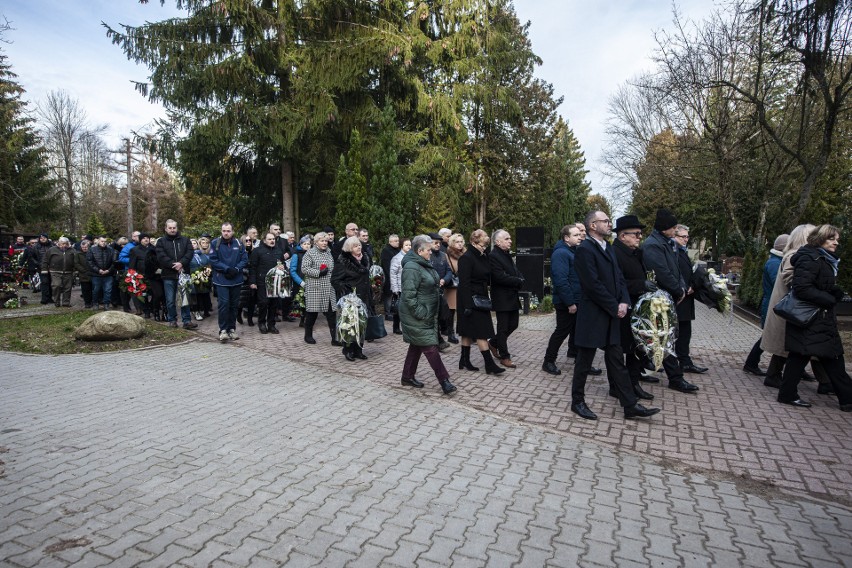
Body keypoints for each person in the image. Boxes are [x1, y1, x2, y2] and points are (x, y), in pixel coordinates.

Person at [570, 210, 661, 421]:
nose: (609, 224)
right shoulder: (585, 250)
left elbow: (619, 278)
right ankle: (578, 402)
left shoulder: (607, 247)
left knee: (616, 360)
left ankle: (629, 405)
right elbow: (592, 285)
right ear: (593, 225)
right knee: (584, 361)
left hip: (611, 314)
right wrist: (614, 305)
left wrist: (624, 301)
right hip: (593, 315)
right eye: (605, 221)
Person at [611, 215, 697, 396]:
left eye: (640, 233)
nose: (639, 237)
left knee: (638, 349)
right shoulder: (615, 253)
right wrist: (640, 285)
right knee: (621, 351)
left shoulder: (636, 251)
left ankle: (634, 384)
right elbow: (614, 283)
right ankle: (619, 388)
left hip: (640, 309)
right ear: (622, 235)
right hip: (624, 308)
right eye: (635, 234)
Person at [777, 224, 852, 411]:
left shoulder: (820, 257)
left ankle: (788, 394)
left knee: (813, 356)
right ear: (820, 239)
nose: (836, 242)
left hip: (816, 317)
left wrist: (834, 291)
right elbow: (802, 288)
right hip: (812, 317)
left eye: (837, 239)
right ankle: (847, 398)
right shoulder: (811, 257)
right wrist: (828, 299)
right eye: (831, 238)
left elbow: (817, 283)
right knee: (826, 356)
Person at [643, 209, 706, 375]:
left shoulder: (666, 243)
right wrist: (679, 290)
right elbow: (663, 272)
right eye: (674, 229)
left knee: (668, 337)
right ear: (665, 228)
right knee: (663, 336)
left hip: (673, 296)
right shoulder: (654, 245)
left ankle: (675, 373)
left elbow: (676, 271)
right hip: (663, 298)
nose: (676, 232)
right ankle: (662, 371)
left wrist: (682, 287)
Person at [760, 224, 821, 388]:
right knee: (785, 347)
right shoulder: (794, 256)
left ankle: (825, 381)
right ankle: (775, 376)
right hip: (790, 309)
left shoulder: (795, 255)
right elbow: (790, 279)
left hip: (792, 309)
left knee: (788, 348)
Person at [399, 234, 457, 395]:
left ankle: (407, 377)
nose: (431, 252)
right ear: (419, 251)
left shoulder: (422, 263)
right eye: (428, 250)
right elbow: (409, 296)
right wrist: (421, 312)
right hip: (417, 315)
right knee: (430, 348)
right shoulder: (412, 267)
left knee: (416, 345)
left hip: (426, 313)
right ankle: (444, 381)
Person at [457, 229, 504, 375]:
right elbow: (464, 283)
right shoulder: (467, 257)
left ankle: (464, 360)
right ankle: (489, 364)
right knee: (481, 332)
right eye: (483, 236)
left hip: (481, 297)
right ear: (474, 241)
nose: (487, 238)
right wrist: (468, 305)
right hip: (469, 299)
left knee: (467, 331)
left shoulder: (484, 256)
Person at [743, 234, 789, 376]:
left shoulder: (777, 261)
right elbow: (780, 283)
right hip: (772, 303)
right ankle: (751, 363)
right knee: (768, 336)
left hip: (772, 302)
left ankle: (751, 363)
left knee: (771, 336)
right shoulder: (776, 263)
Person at [542, 224, 584, 375]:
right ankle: (548, 361)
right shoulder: (561, 253)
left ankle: (581, 361)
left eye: (580, 234)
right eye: (576, 235)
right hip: (566, 302)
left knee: (578, 332)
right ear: (567, 238)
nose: (580, 237)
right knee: (561, 332)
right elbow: (561, 280)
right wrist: (570, 302)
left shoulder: (572, 251)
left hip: (576, 299)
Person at [331, 235, 373, 361]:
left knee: (362, 323)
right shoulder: (343, 262)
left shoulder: (365, 259)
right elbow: (334, 280)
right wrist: (345, 289)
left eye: (359, 245)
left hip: (364, 296)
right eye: (355, 246)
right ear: (349, 248)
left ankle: (359, 349)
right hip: (350, 299)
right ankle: (348, 349)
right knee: (350, 325)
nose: (359, 248)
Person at [672, 224, 707, 373]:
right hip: (680, 297)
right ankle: (680, 361)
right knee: (679, 332)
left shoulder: (682, 251)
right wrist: (685, 287)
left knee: (685, 332)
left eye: (687, 236)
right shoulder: (673, 252)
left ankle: (685, 360)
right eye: (683, 236)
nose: (686, 239)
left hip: (687, 297)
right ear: (674, 236)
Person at [488, 229, 525, 368]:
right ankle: (505, 356)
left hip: (512, 295)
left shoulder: (506, 254)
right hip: (502, 297)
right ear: (498, 242)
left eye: (510, 238)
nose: (510, 241)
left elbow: (514, 271)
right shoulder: (493, 256)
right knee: (503, 328)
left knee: (514, 324)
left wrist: (520, 278)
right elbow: (499, 276)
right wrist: (518, 281)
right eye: (507, 238)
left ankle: (493, 343)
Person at [210, 222, 249, 341]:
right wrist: (226, 268)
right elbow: (213, 260)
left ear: (232, 231)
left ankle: (232, 329)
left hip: (236, 279)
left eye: (228, 231)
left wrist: (236, 269)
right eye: (224, 231)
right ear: (221, 231)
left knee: (234, 305)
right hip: (222, 279)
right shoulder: (215, 243)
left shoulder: (238, 243)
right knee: (224, 305)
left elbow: (244, 259)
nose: (226, 233)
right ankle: (223, 330)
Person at [156, 219, 197, 329]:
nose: (172, 230)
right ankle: (172, 320)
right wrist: (174, 265)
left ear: (177, 228)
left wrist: (181, 263)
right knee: (170, 300)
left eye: (174, 228)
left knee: (185, 299)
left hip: (183, 273)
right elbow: (161, 256)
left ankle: (187, 321)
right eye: (170, 228)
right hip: (168, 275)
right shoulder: (161, 242)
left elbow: (189, 253)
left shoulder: (185, 240)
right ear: (166, 228)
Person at [302, 231, 339, 345]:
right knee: (312, 313)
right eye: (322, 241)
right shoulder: (310, 253)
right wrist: (318, 272)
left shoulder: (329, 252)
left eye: (326, 241)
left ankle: (335, 338)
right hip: (315, 288)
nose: (324, 243)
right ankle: (308, 335)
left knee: (332, 313)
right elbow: (304, 269)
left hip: (328, 287)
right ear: (316, 242)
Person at [248, 232, 287, 334]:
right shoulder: (257, 251)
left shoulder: (279, 251)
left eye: (273, 239)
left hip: (275, 281)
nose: (272, 241)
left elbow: (283, 264)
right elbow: (252, 267)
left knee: (273, 304)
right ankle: (261, 323)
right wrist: (252, 281)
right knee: (263, 303)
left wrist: (283, 267)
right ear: (264, 240)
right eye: (269, 239)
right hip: (262, 281)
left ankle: (271, 324)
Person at [429, 233, 453, 350]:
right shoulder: (427, 255)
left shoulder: (443, 255)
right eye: (435, 243)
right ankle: (437, 341)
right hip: (430, 291)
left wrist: (445, 279)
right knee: (433, 318)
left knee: (441, 315)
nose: (438, 245)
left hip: (441, 290)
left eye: (439, 243)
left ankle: (438, 339)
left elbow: (449, 271)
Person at [129, 234, 161, 319]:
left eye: (147, 238)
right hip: (141, 276)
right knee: (143, 295)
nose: (146, 240)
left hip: (153, 275)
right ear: (140, 240)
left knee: (156, 294)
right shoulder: (135, 250)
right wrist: (133, 275)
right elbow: (132, 264)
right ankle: (146, 310)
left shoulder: (154, 249)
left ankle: (152, 308)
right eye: (143, 238)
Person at [41, 236, 76, 307]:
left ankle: (66, 302)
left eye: (66, 244)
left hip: (68, 272)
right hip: (55, 271)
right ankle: (56, 301)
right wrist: (44, 269)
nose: (64, 245)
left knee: (68, 288)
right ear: (59, 243)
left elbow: (76, 261)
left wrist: (76, 270)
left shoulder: (72, 250)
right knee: (56, 286)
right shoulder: (52, 250)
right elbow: (45, 260)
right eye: (63, 244)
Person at [444, 233, 465, 344]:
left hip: (464, 286)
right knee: (451, 312)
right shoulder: (447, 255)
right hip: (453, 286)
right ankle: (450, 333)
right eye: (457, 241)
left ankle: (467, 333)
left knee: (465, 311)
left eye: (461, 241)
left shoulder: (465, 253)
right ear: (452, 243)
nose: (460, 244)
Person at [389, 237, 412, 335]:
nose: (409, 247)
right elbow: (393, 274)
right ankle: (396, 327)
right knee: (398, 308)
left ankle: (408, 327)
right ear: (402, 246)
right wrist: (395, 288)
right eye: (406, 245)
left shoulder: (412, 257)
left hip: (410, 287)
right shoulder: (397, 258)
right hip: (399, 287)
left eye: (410, 245)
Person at [87, 236, 116, 311]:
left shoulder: (111, 250)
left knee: (108, 290)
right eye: (102, 241)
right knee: (96, 290)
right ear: (98, 241)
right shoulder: (92, 249)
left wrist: (109, 270)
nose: (103, 243)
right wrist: (98, 270)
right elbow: (90, 262)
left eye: (105, 241)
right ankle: (95, 303)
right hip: (96, 274)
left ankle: (106, 304)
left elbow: (114, 262)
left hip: (108, 274)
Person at [190, 234, 213, 320]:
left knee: (205, 294)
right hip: (192, 278)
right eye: (191, 243)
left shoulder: (203, 255)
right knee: (195, 296)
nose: (193, 245)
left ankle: (206, 310)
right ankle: (196, 311)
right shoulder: (188, 256)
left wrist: (205, 274)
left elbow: (208, 264)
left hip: (204, 277)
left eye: (194, 243)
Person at [236, 235, 256, 326]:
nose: (248, 242)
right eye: (246, 240)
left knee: (252, 300)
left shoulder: (254, 252)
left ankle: (250, 319)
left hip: (252, 278)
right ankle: (238, 315)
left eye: (250, 240)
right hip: (243, 279)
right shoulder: (239, 253)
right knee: (241, 300)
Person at [380, 234, 401, 321]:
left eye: (398, 241)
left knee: (395, 296)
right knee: (388, 296)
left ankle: (394, 312)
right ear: (390, 242)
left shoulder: (397, 250)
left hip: (396, 276)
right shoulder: (386, 251)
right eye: (395, 241)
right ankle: (388, 313)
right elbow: (386, 265)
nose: (397, 242)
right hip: (389, 276)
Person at [34, 233, 53, 304]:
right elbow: (32, 257)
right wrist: (37, 263)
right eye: (41, 238)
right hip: (41, 267)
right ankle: (44, 298)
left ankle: (50, 298)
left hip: (51, 266)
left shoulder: (52, 245)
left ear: (47, 238)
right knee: (44, 282)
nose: (43, 239)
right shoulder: (36, 246)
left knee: (51, 282)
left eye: (44, 238)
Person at [75, 240, 93, 308]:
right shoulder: (78, 254)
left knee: (92, 289)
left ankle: (91, 301)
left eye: (86, 247)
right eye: (83, 247)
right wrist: (83, 270)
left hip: (91, 273)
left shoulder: (91, 253)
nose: (84, 248)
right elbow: (76, 264)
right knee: (85, 289)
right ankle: (87, 302)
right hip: (83, 274)